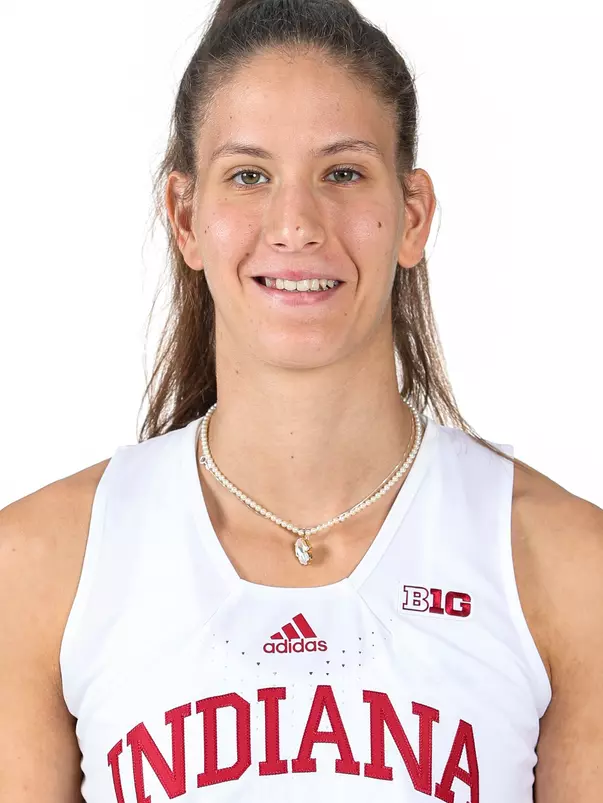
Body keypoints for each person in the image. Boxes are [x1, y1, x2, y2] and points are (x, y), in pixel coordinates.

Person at [1, 0, 602, 800]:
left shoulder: (564, 566)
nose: (294, 224)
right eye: (249, 176)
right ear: (184, 216)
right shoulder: (40, 567)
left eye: (342, 172)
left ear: (413, 215)